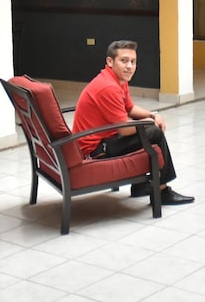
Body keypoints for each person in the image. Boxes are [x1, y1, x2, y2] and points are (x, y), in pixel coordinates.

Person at [73, 40, 195, 205]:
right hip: (94, 150)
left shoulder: (117, 80)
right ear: (110, 61)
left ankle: (140, 186)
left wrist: (152, 115)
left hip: (105, 139)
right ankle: (162, 191)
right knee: (154, 133)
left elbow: (130, 108)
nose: (129, 66)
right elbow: (124, 130)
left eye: (133, 61)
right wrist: (149, 123)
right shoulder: (108, 87)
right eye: (124, 61)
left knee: (148, 128)